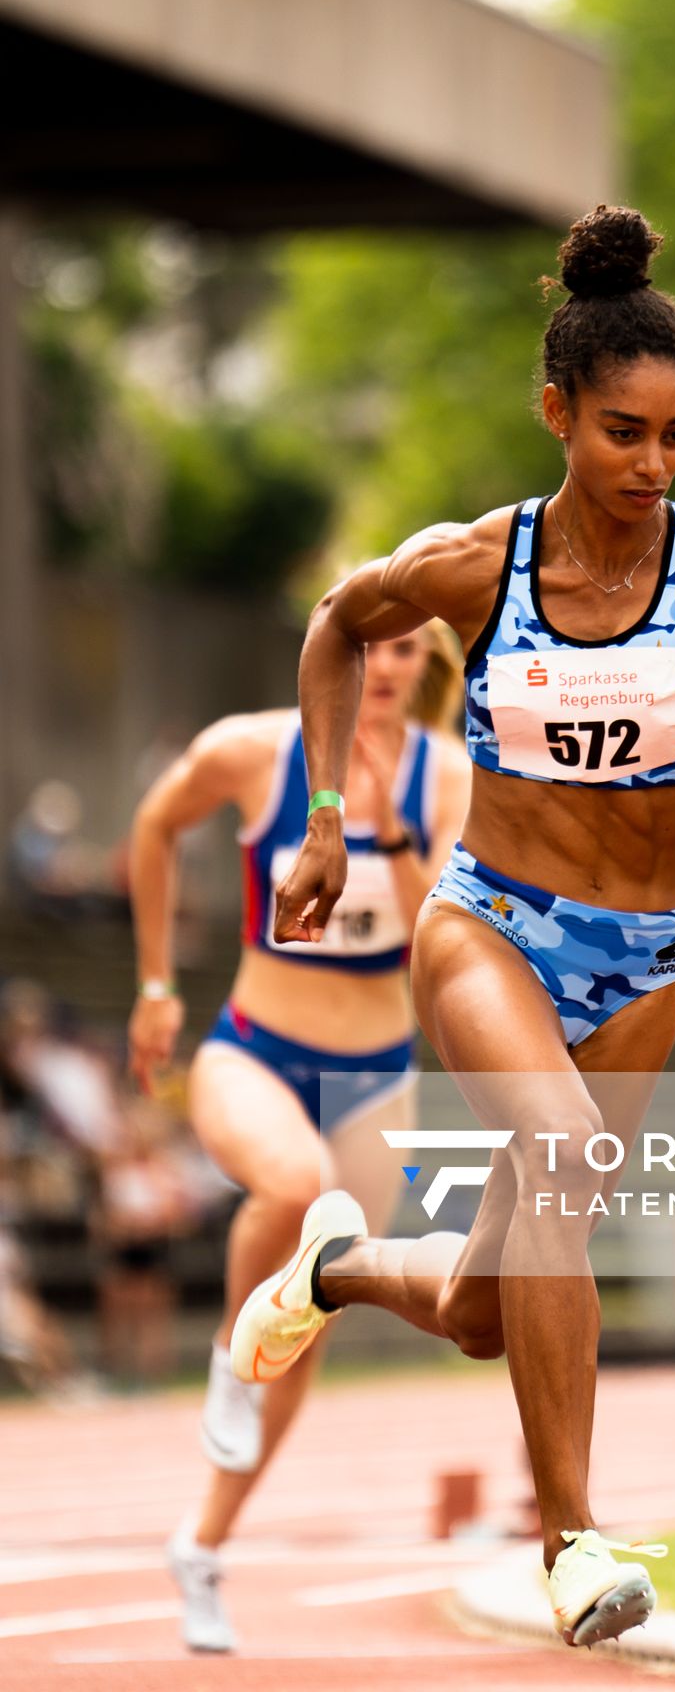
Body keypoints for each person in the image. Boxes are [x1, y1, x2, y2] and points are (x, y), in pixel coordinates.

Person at [228, 204, 675, 1648]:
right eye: (624, 430)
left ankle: (340, 1268)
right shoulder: (477, 568)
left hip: (647, 955)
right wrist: (320, 818)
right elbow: (334, 621)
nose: (652, 463)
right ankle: (573, 1545)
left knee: (494, 1308)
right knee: (553, 1162)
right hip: (490, 920)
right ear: (556, 410)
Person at [127, 621, 470, 1653]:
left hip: (374, 1075)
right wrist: (154, 985)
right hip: (251, 1051)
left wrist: (391, 830)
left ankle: (203, 1543)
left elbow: (441, 925)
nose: (386, 668)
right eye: (367, 648)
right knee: (291, 1186)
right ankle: (229, 1370)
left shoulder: (443, 775)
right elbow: (152, 827)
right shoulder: (254, 752)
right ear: (331, 658)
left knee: (312, 1306)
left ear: (425, 671)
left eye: (409, 652)